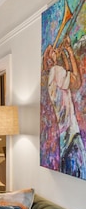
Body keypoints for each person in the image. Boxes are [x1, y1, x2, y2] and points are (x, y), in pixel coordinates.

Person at [42, 36, 86, 177]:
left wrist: (65, 55)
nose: (56, 51)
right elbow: (77, 82)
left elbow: (68, 74)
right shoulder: (56, 70)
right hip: (71, 134)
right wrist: (69, 51)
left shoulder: (52, 76)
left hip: (65, 134)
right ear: (50, 60)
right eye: (53, 51)